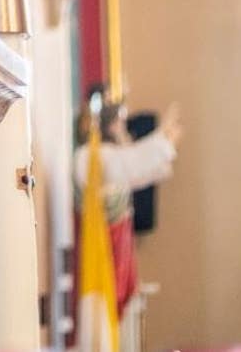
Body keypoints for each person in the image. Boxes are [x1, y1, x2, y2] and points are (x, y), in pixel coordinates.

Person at [73, 85, 183, 316]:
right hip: (101, 248)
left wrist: (164, 141)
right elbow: (131, 164)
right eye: (120, 122)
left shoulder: (101, 155)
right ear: (109, 125)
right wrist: (163, 140)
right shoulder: (92, 156)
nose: (124, 128)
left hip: (114, 242)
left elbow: (138, 170)